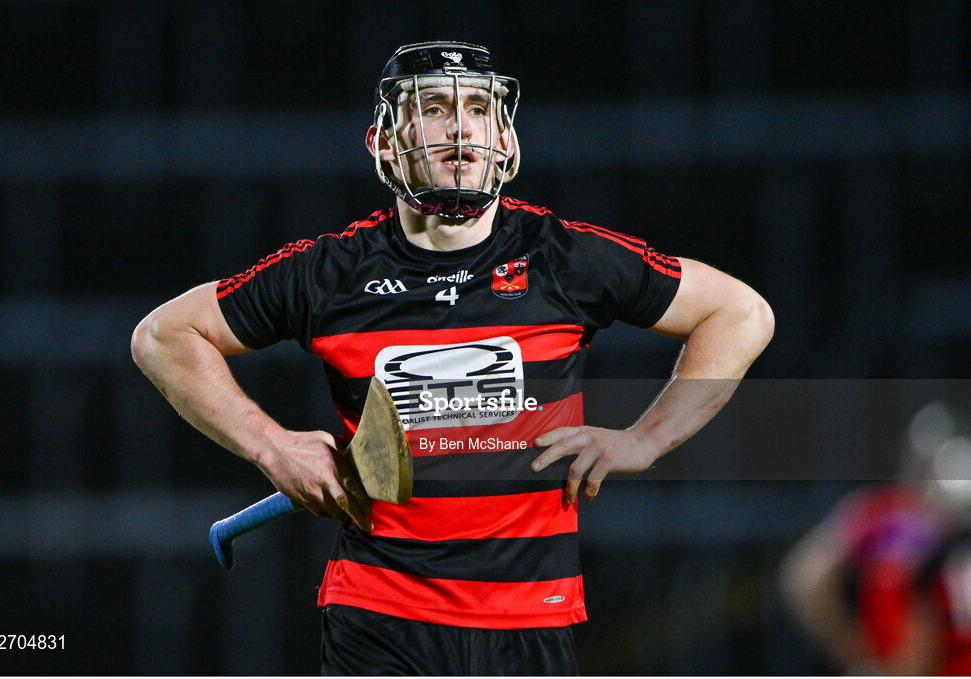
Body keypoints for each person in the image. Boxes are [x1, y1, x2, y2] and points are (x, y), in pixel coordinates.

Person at [131, 41, 774, 675]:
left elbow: (740, 314)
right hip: (379, 616)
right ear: (383, 142)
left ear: (506, 139)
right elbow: (163, 336)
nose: (461, 126)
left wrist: (647, 439)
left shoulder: (563, 257)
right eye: (434, 107)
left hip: (531, 620)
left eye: (480, 109)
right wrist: (271, 446)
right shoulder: (329, 272)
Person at [780, 401, 971, 675]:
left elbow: (808, 578)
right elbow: (809, 577)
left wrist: (849, 650)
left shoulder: (880, 516)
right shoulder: (880, 517)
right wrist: (849, 648)